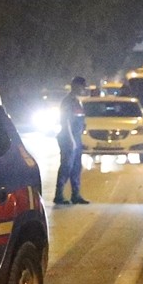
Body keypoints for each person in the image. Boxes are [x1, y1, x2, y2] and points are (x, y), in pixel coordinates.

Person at [54, 75, 89, 205]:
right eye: (83, 86)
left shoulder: (77, 101)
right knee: (66, 166)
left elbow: (80, 120)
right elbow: (65, 121)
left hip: (76, 138)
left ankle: (76, 195)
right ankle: (59, 195)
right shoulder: (68, 101)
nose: (84, 89)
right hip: (68, 139)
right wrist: (71, 140)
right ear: (76, 86)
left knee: (76, 167)